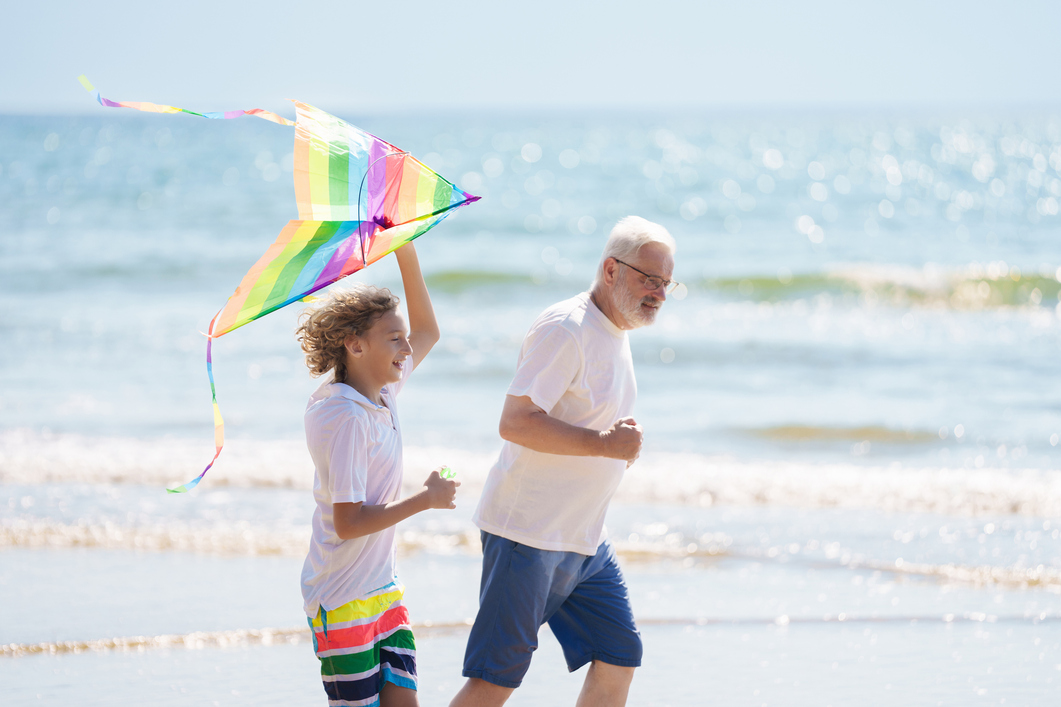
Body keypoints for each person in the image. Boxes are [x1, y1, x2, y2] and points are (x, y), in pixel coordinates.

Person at [450, 216, 678, 707]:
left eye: (665, 283)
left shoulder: (617, 330)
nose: (658, 292)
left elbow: (589, 423)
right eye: (648, 279)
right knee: (497, 678)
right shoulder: (567, 328)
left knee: (619, 653)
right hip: (527, 535)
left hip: (583, 540)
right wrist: (602, 445)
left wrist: (614, 447)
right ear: (611, 270)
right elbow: (515, 421)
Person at [297, 243, 459, 707]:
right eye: (395, 339)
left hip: (383, 592)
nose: (407, 350)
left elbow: (429, 330)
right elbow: (348, 523)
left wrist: (405, 250)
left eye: (403, 339)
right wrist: (424, 499)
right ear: (355, 345)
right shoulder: (344, 416)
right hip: (342, 597)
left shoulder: (381, 393)